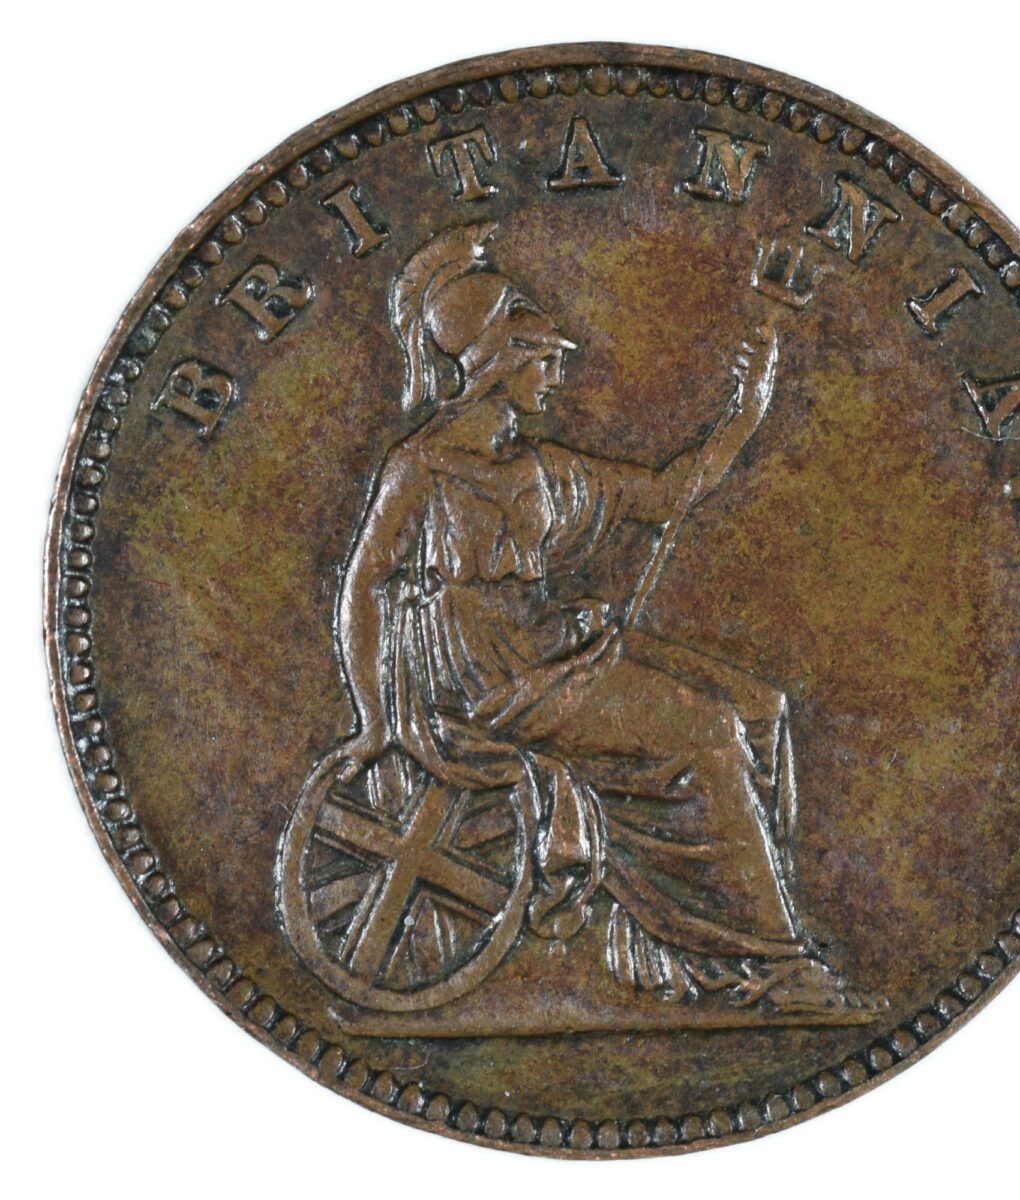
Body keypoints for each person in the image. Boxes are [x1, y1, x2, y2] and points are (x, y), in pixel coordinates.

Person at [332, 221, 875, 1013]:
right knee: (709, 729)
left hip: (553, 660)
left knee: (759, 707)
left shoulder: (544, 469)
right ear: (500, 362)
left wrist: (746, 410)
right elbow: (363, 585)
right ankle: (777, 963)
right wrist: (375, 719)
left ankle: (686, 946)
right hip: (490, 687)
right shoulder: (420, 467)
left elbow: (671, 492)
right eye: (544, 359)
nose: (558, 376)